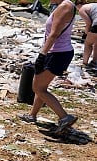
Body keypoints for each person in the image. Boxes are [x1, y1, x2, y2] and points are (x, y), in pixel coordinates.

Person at [18, 0, 78, 134]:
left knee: (37, 88)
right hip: (59, 52)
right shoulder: (67, 5)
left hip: (57, 53)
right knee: (42, 87)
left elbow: (54, 34)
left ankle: (64, 117)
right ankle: (32, 115)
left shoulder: (65, 6)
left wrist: (42, 54)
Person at [76, 1, 97, 68]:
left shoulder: (82, 9)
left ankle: (85, 63)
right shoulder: (93, 5)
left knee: (88, 43)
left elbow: (89, 23)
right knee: (96, 43)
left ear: (79, 5)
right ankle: (94, 61)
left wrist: (86, 33)